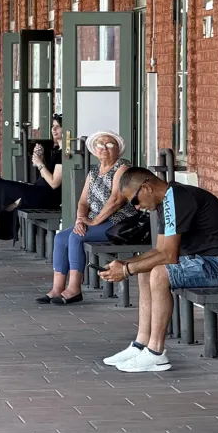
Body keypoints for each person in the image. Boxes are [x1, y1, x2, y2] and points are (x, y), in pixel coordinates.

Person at [98, 167, 218, 372]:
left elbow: (169, 256)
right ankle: (141, 343)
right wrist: (124, 264)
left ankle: (156, 352)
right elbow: (159, 250)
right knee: (146, 269)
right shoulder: (168, 200)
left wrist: (127, 270)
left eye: (135, 201)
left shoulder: (178, 199)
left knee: (159, 272)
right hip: (206, 261)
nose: (137, 208)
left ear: (146, 187)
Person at [38, 130, 137, 305]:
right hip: (96, 221)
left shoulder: (122, 167)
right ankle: (57, 288)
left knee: (77, 236)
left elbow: (116, 200)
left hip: (119, 222)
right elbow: (83, 201)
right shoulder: (94, 171)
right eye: (100, 144)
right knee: (61, 237)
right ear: (95, 149)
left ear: (118, 149)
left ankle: (75, 288)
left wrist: (92, 222)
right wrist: (80, 219)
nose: (104, 148)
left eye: (109, 144)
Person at [0, 114, 64, 261]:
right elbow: (50, 175)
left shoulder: (65, 153)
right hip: (39, 191)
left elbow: (54, 183)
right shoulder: (58, 150)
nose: (54, 129)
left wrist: (40, 164)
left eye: (58, 126)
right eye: (53, 126)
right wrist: (42, 159)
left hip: (44, 196)